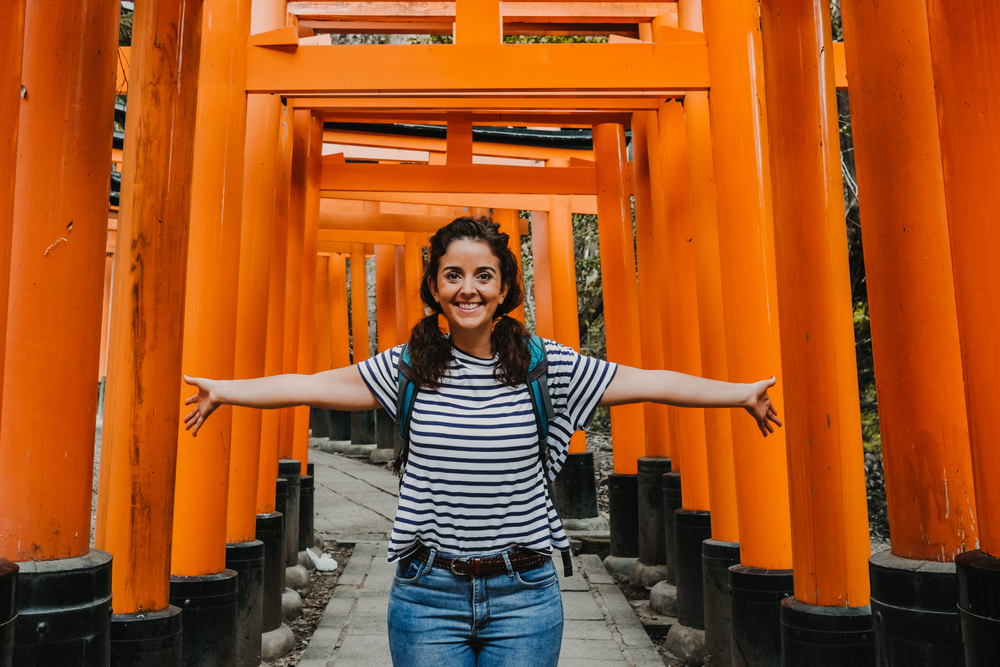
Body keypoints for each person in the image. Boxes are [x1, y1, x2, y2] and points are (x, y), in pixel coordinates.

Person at [184, 216, 781, 667]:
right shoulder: (411, 367)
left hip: (523, 592)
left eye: (483, 275)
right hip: (426, 593)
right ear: (436, 288)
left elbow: (647, 380)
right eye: (454, 275)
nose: (468, 288)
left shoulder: (548, 368)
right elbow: (310, 383)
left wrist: (739, 394)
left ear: (503, 289)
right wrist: (225, 390)